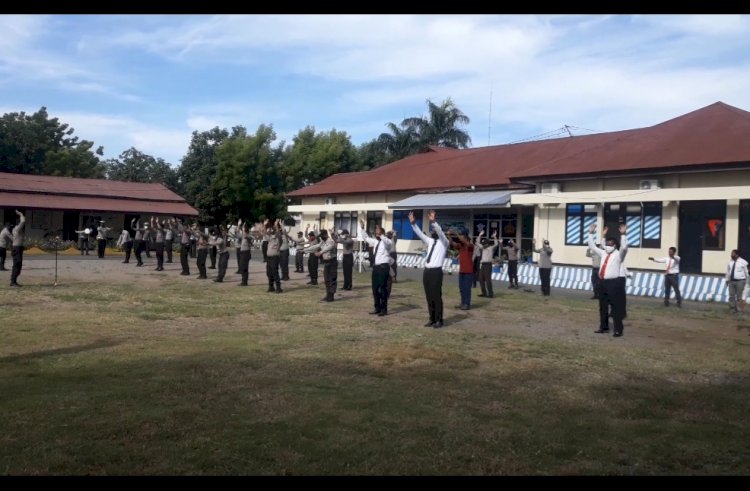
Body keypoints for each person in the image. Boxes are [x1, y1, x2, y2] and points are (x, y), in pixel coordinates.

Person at [588, 223, 628, 337]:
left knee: (615, 308)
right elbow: (592, 246)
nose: (609, 245)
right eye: (607, 243)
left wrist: (623, 234)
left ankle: (618, 330)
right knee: (603, 306)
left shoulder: (619, 255)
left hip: (613, 283)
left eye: (611, 244)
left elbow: (624, 248)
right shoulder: (603, 252)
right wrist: (591, 233)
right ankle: (604, 327)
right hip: (602, 282)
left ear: (615, 245)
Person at [410, 210, 449, 328]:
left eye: (434, 230)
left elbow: (441, 233)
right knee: (429, 296)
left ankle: (439, 320)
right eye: (432, 230)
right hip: (427, 271)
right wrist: (413, 224)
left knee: (436, 296)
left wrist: (434, 222)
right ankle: (431, 319)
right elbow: (421, 235)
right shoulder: (431, 241)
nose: (433, 232)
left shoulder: (444, 242)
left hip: (436, 272)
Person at [359, 219, 393, 316]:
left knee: (383, 289)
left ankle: (384, 309)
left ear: (382, 234)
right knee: (375, 288)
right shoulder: (376, 242)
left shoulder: (387, 243)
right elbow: (366, 238)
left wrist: (381, 234)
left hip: (383, 267)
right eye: (376, 233)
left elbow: (387, 241)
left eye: (378, 233)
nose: (376, 234)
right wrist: (362, 228)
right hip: (376, 268)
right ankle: (377, 307)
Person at [448, 227, 475, 310]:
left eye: (462, 235)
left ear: (466, 237)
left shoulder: (470, 246)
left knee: (467, 288)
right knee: (462, 288)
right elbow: (452, 243)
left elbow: (465, 242)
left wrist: (456, 234)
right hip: (462, 270)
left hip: (468, 271)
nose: (460, 237)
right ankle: (463, 303)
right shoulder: (461, 246)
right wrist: (449, 235)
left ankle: (467, 304)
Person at [307, 228, 338, 301]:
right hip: (326, 262)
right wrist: (306, 250)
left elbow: (328, 248)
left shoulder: (331, 241)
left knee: (332, 279)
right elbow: (317, 246)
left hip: (332, 262)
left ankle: (331, 296)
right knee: (326, 279)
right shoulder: (322, 241)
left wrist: (320, 253)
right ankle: (328, 295)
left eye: (322, 236)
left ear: (326, 235)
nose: (321, 238)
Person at [725, 249, 748, 313]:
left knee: (739, 296)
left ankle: (739, 310)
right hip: (731, 281)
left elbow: (747, 273)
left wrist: (747, 282)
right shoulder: (730, 262)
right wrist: (727, 280)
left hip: (740, 281)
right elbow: (728, 271)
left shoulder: (743, 262)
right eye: (731, 253)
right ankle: (732, 308)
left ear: (737, 255)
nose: (731, 255)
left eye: (733, 254)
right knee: (731, 296)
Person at [476, 230, 497, 299]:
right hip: (483, 265)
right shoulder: (483, 248)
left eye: (485, 244)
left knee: (488, 280)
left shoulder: (490, 248)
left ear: (488, 244)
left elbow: (496, 244)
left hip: (488, 265)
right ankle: (484, 293)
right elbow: (477, 243)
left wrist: (494, 237)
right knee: (481, 279)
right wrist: (480, 235)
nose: (483, 245)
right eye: (483, 244)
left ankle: (490, 293)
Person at [265, 219, 283, 293]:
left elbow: (278, 233)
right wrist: (265, 225)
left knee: (275, 272)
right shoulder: (270, 238)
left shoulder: (278, 239)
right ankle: (271, 287)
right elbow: (264, 233)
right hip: (269, 257)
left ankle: (278, 288)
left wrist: (276, 225)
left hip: (275, 257)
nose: (272, 232)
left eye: (273, 231)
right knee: (269, 272)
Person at [9, 210, 25, 287]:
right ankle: (13, 282)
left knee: (18, 265)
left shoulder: (16, 230)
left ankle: (14, 281)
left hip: (18, 248)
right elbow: (23, 222)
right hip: (17, 248)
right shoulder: (16, 229)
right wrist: (21, 214)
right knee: (17, 264)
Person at [237, 221, 252, 286]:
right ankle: (244, 281)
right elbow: (237, 234)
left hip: (246, 253)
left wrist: (241, 226)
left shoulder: (247, 236)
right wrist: (239, 226)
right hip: (243, 252)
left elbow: (244, 235)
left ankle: (244, 282)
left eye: (243, 230)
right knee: (243, 267)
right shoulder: (244, 236)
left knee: (244, 267)